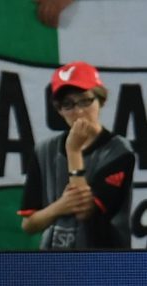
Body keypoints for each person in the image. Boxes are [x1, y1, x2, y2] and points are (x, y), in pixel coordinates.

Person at [18, 61, 133, 249]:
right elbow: (29, 225)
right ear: (59, 110)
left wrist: (74, 151)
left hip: (104, 261)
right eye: (68, 104)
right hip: (54, 261)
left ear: (100, 100)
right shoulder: (44, 150)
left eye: (85, 100)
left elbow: (83, 211)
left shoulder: (119, 151)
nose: (78, 111)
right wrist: (59, 206)